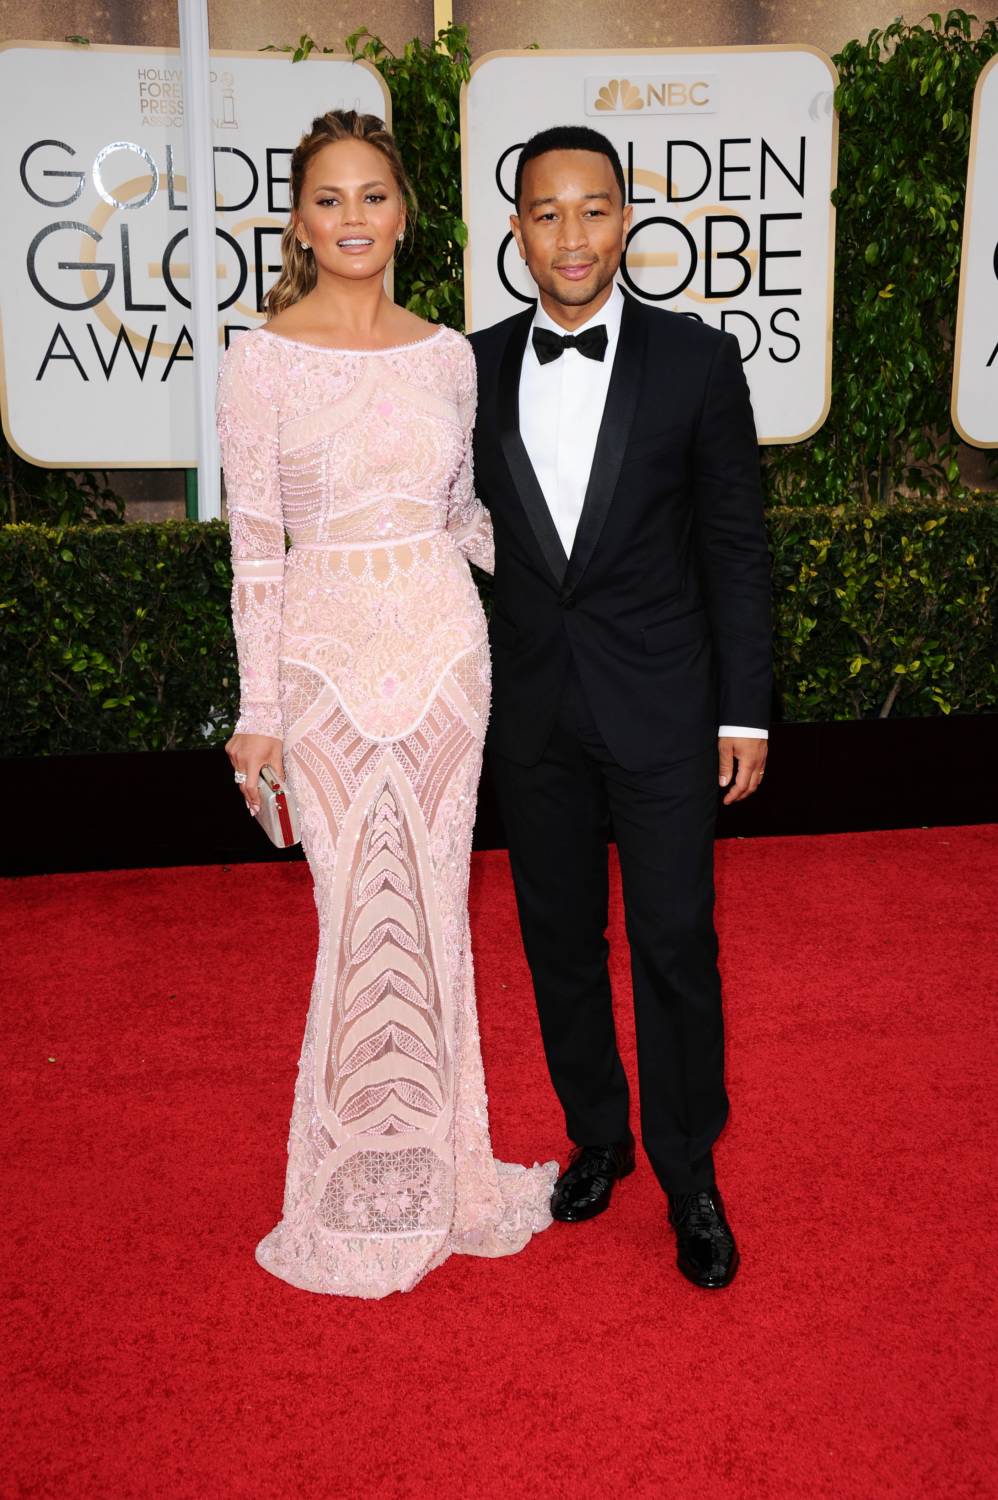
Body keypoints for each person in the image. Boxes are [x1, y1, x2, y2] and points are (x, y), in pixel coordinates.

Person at [217, 109, 556, 1299]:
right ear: (300, 225)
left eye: (372, 195)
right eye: (329, 199)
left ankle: (443, 1174)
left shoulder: (447, 357)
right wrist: (258, 708)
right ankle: (350, 1180)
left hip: (443, 658)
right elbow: (254, 550)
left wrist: (583, 568)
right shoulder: (258, 360)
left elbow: (462, 516)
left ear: (403, 212)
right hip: (321, 670)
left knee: (435, 913)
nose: (352, 217)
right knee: (355, 915)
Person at [468, 126, 772, 1289]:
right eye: (546, 213)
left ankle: (689, 1174)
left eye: (592, 210)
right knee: (556, 938)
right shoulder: (470, 368)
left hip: (661, 704)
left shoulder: (695, 361)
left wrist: (743, 711)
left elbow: (733, 547)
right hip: (532, 711)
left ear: (624, 223)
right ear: (516, 230)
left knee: (673, 940)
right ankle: (596, 1132)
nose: (571, 236)